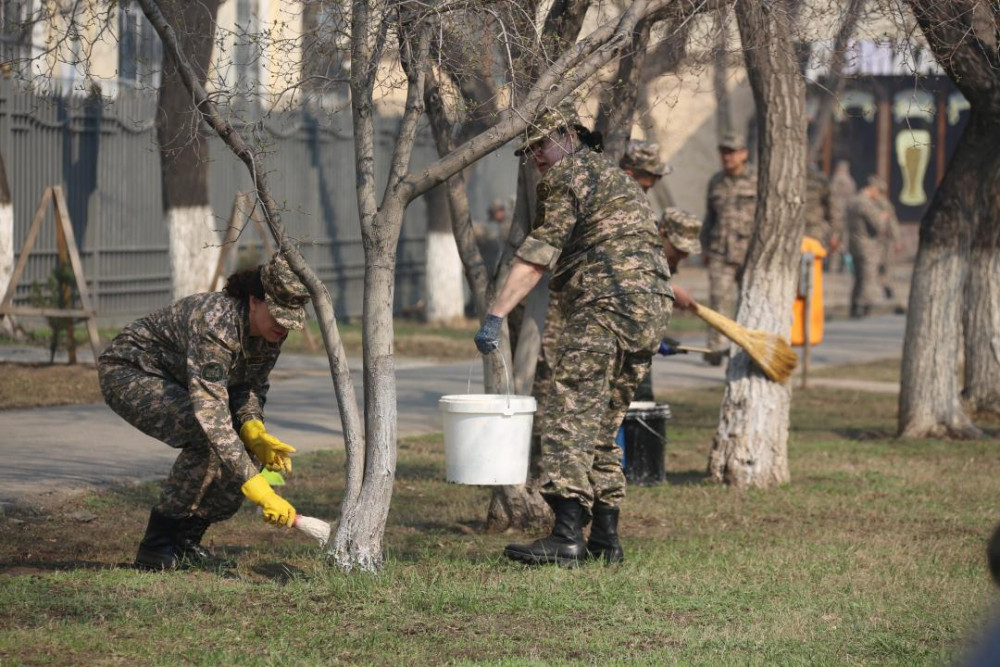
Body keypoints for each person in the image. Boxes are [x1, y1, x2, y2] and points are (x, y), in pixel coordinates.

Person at [474, 102, 674, 566]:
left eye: (540, 145)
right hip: (649, 308)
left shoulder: (569, 176)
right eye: (530, 151)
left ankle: (565, 536)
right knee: (603, 424)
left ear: (568, 135)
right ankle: (606, 539)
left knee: (567, 413)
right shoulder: (617, 178)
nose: (537, 158)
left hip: (605, 305)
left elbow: (540, 251)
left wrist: (497, 314)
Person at [98, 253, 309, 570]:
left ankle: (185, 541)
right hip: (131, 373)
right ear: (254, 301)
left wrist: (254, 429)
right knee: (208, 438)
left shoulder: (270, 333)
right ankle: (156, 549)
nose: (285, 326)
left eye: (291, 319)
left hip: (182, 381)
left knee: (241, 447)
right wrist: (259, 488)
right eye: (279, 315)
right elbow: (210, 415)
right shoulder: (215, 324)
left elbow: (250, 386)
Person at [700, 130, 756, 365]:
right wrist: (704, 247)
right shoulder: (716, 181)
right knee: (718, 300)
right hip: (720, 251)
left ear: (744, 154)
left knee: (749, 303)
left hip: (749, 253)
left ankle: (746, 350)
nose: (727, 157)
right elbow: (710, 217)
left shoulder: (758, 180)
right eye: (724, 152)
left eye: (732, 152)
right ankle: (715, 350)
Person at [846, 175, 898, 318]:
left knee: (858, 278)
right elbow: (878, 224)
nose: (879, 195)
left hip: (854, 244)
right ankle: (862, 307)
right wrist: (884, 216)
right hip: (867, 246)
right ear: (873, 189)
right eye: (879, 191)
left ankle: (854, 306)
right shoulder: (865, 203)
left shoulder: (852, 201)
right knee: (867, 278)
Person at [828, 160, 857, 273]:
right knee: (845, 241)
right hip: (847, 215)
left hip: (836, 214)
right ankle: (845, 266)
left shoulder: (836, 180)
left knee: (834, 240)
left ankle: (833, 266)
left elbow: (830, 195)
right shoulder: (851, 182)